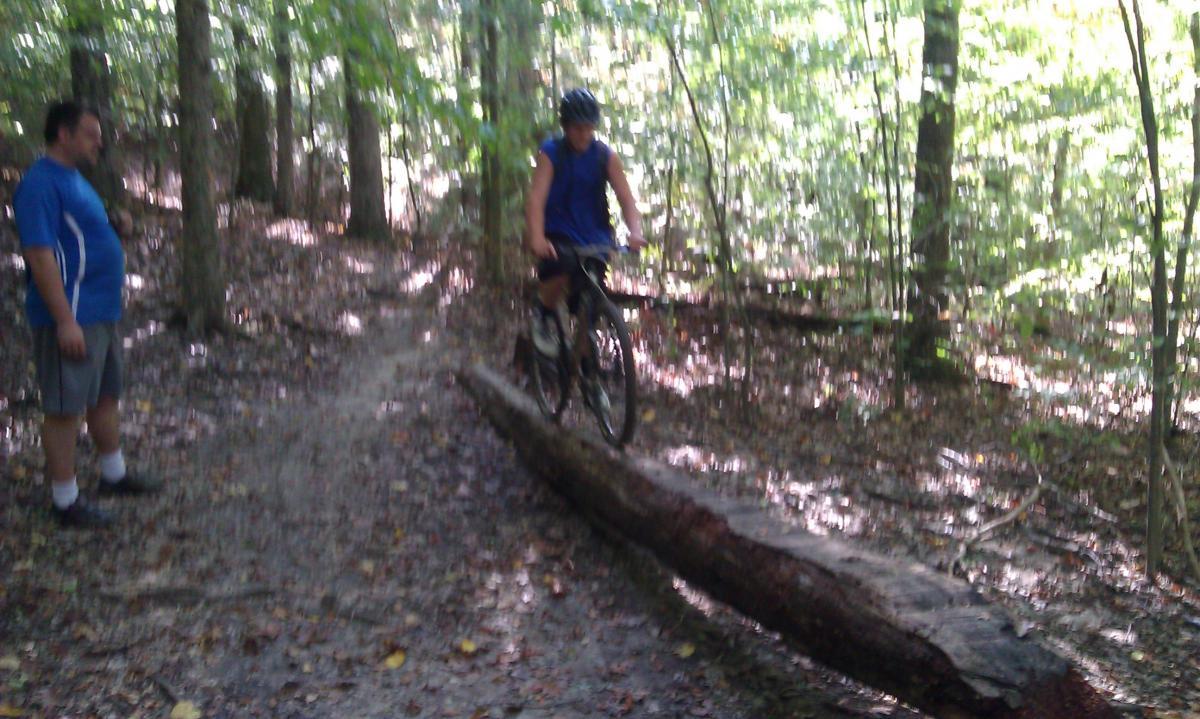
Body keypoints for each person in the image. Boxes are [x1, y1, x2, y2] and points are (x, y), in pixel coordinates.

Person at [13, 100, 160, 529]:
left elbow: (76, 242)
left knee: (105, 396)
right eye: (90, 134)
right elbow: (40, 256)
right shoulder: (39, 184)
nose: (100, 143)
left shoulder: (74, 180)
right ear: (64, 134)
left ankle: (113, 475)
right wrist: (64, 321)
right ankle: (65, 500)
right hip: (71, 314)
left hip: (100, 312)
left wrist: (117, 231)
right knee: (64, 408)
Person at [524, 88, 646, 355]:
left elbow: (626, 199)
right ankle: (543, 314)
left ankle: (589, 375)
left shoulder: (605, 156)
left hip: (595, 234)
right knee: (561, 266)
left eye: (589, 128)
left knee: (590, 301)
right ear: (566, 126)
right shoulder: (551, 153)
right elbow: (536, 199)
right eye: (578, 128)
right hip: (559, 230)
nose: (584, 134)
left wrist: (635, 232)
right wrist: (536, 237)